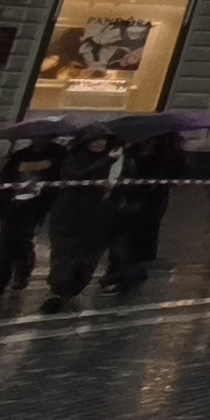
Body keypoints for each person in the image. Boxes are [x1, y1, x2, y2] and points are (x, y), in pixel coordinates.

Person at [39, 132, 120, 313]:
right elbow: (75, 176)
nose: (99, 143)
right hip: (70, 215)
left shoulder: (116, 160)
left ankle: (71, 290)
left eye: (102, 138)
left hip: (98, 216)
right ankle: (57, 291)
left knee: (88, 257)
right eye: (93, 139)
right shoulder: (75, 158)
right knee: (65, 254)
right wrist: (106, 161)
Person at [0, 133, 63, 297]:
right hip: (12, 203)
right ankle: (3, 278)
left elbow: (58, 177)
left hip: (36, 205)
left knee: (21, 238)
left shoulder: (58, 154)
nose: (39, 140)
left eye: (43, 137)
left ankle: (17, 272)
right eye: (37, 137)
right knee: (7, 241)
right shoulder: (20, 155)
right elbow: (5, 178)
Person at [109, 126, 187, 292]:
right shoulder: (132, 150)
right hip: (128, 198)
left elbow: (176, 175)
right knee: (122, 237)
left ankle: (131, 276)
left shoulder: (168, 153)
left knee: (139, 238)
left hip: (151, 201)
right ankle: (118, 273)